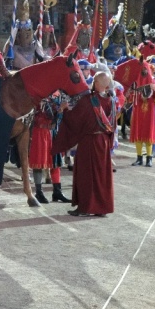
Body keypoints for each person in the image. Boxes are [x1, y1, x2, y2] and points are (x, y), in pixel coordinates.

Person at [52, 71, 115, 217]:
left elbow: (75, 120)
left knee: (85, 175)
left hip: (89, 142)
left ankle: (85, 207)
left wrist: (65, 110)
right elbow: (113, 124)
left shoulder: (89, 100)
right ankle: (102, 208)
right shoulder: (111, 101)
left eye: (94, 81)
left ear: (98, 84)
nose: (92, 83)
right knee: (102, 176)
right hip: (104, 142)